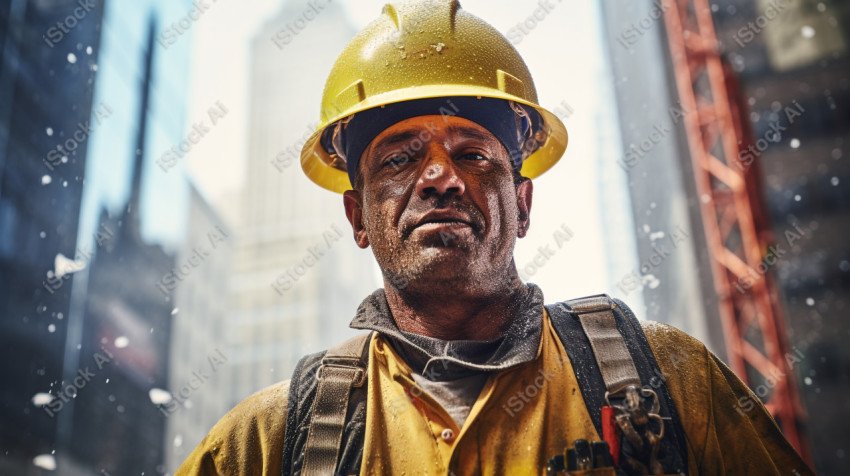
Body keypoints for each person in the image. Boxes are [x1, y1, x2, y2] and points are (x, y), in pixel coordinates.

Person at [177, 1, 813, 474]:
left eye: (473, 155)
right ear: (358, 219)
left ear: (524, 201)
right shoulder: (267, 442)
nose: (440, 178)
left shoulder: (669, 384)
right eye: (398, 159)